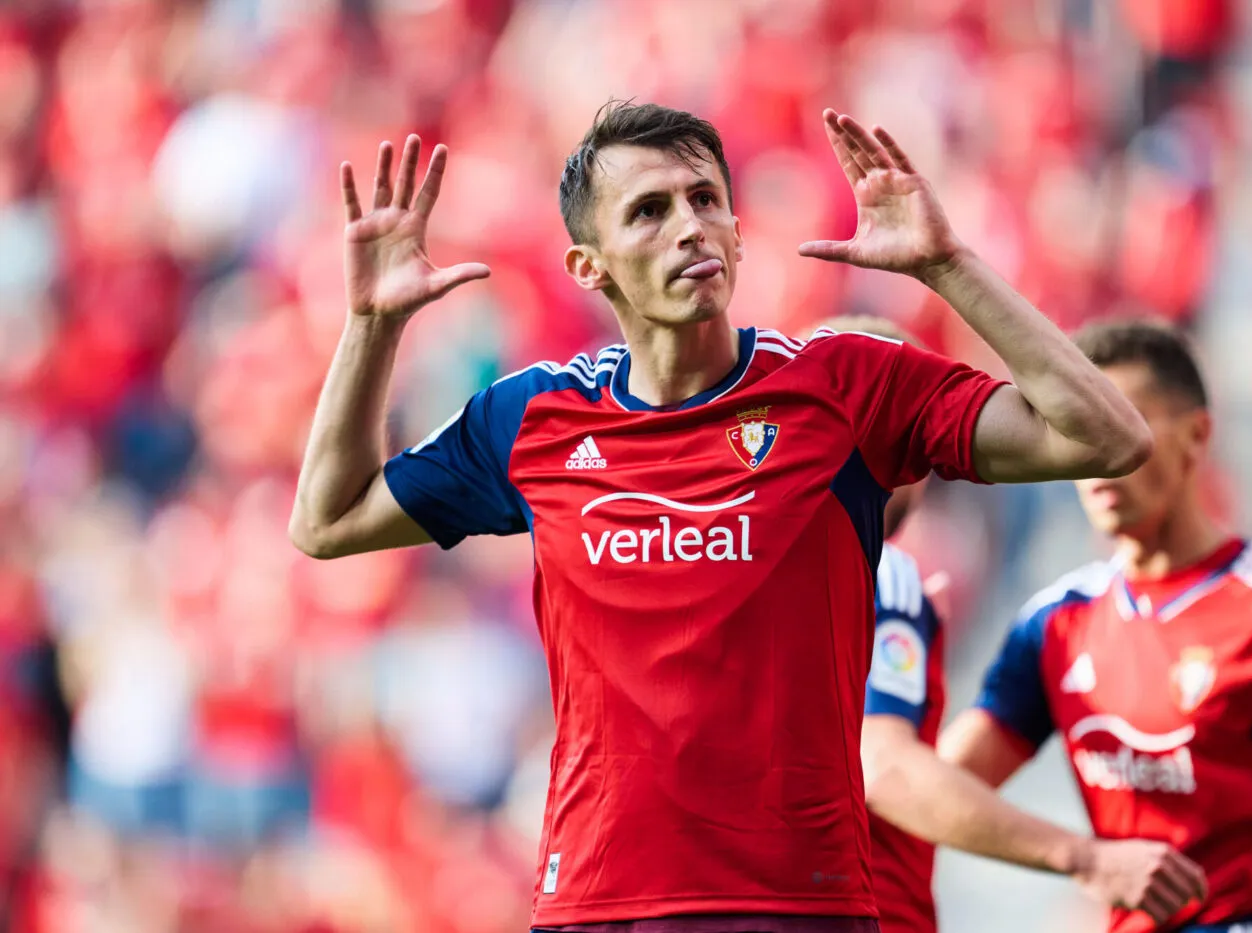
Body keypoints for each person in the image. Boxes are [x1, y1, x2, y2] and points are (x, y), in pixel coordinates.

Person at [288, 100, 1153, 932]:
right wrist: (370, 325)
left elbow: (1106, 437)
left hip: (797, 904)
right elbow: (326, 522)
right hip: (595, 901)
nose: (690, 225)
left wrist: (948, 266)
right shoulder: (529, 418)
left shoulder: (842, 384)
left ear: (739, 231)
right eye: (650, 210)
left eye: (707, 200)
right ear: (589, 265)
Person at [927, 319, 1252, 933]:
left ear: (1197, 437)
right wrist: (1079, 858)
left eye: (1119, 424)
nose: (1094, 452)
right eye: (1073, 426)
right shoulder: (1056, 622)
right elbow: (941, 786)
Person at [813, 317, 1204, 933]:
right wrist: (1087, 858)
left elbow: (942, 774)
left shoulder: (726, 560)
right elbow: (888, 772)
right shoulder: (884, 573)